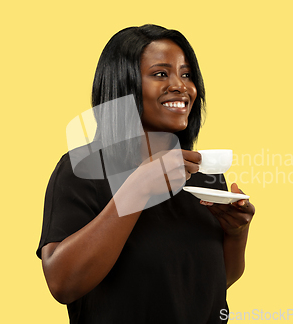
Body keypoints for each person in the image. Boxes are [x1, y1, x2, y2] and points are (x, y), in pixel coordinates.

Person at [36, 24, 256, 323]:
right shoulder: (83, 169)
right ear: (123, 87)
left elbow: (215, 282)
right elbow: (63, 284)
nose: (181, 85)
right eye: (161, 74)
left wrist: (235, 233)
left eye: (187, 74)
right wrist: (138, 188)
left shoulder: (202, 174)